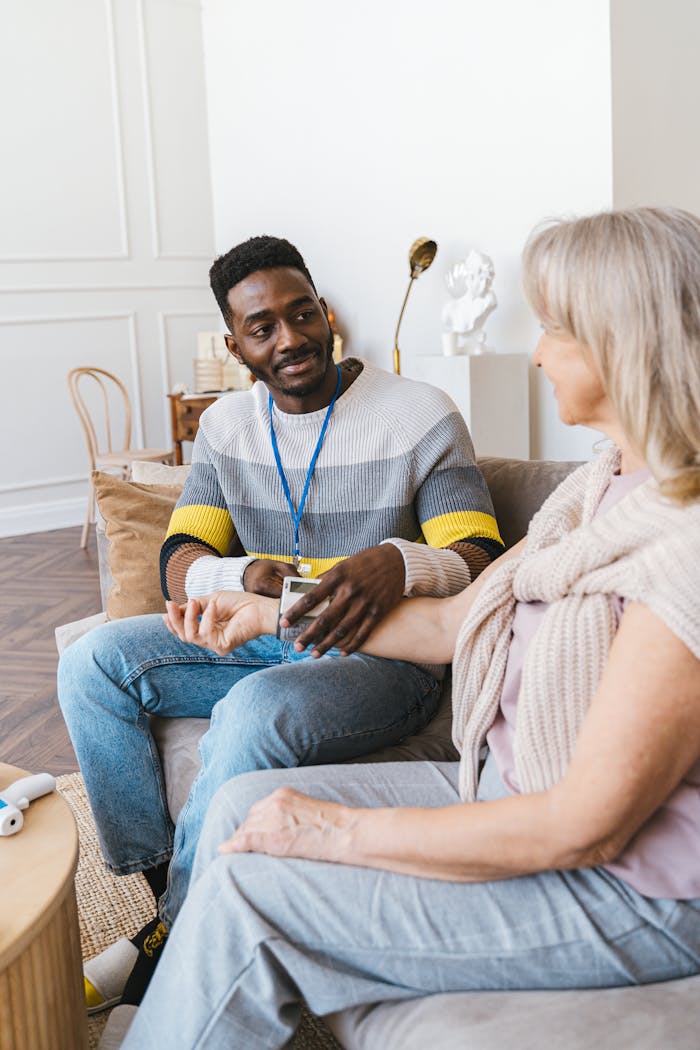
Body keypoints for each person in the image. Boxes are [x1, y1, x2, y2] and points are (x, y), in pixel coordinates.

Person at [114, 207, 700, 1049]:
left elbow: (586, 823)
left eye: (556, 329)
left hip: (634, 888)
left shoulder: (681, 549)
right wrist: (268, 611)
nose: (535, 352)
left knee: (255, 885)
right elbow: (457, 624)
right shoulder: (599, 486)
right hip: (509, 786)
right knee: (242, 801)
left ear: (625, 341)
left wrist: (337, 830)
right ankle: (167, 950)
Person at [57, 236, 503, 1011]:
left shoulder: (419, 413)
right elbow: (180, 557)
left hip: (379, 659)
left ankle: (170, 943)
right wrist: (241, 576)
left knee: (254, 711)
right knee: (91, 663)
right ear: (236, 346)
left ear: (324, 312)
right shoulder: (228, 427)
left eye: (302, 314)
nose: (290, 338)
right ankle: (170, 899)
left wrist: (400, 562)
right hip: (258, 633)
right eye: (262, 327)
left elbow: (479, 553)